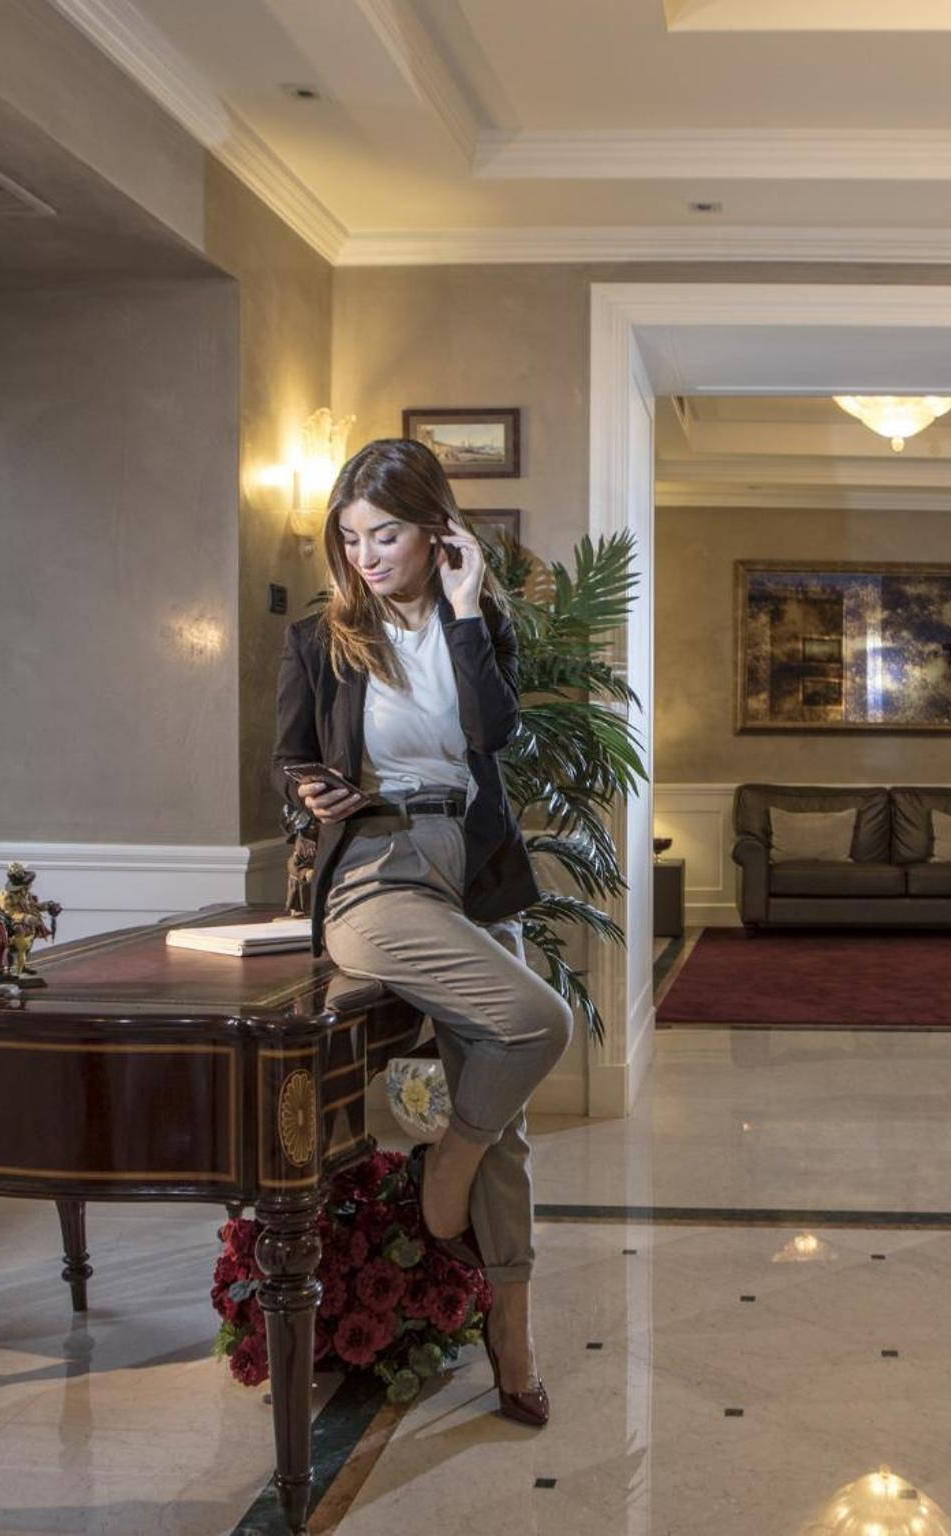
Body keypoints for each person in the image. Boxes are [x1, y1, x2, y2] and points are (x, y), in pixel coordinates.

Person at [271, 436, 572, 1427]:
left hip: (471, 867)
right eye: (351, 537)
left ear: (436, 530)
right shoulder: (320, 638)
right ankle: (445, 1171)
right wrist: (309, 791)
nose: (365, 556)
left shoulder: (474, 624)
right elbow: (287, 760)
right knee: (541, 1023)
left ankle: (512, 1341)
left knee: (505, 1127)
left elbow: (493, 733)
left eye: (386, 535)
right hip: (374, 869)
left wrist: (468, 608)